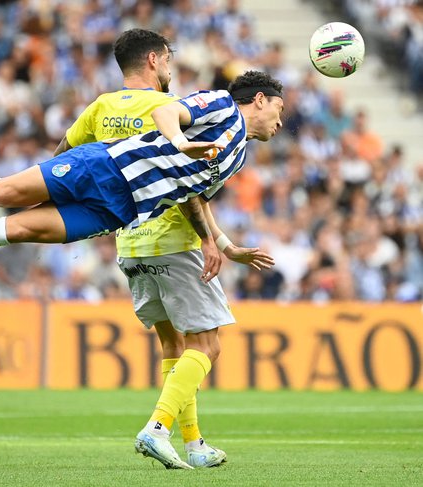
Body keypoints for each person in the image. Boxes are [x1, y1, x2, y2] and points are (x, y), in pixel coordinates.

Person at [53, 29, 275, 469]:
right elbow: (188, 187)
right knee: (207, 345)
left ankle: (193, 443)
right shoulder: (167, 109)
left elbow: (63, 154)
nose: (172, 66)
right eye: (169, 57)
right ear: (154, 60)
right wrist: (215, 242)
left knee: (173, 347)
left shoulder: (101, 106)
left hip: (130, 241)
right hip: (172, 239)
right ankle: (157, 428)